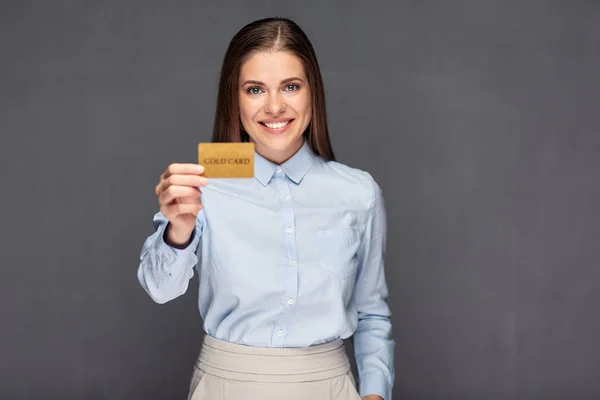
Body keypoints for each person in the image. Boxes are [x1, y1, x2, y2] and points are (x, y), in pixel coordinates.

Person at [137, 17, 395, 400]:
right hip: (226, 387)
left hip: (329, 387)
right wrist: (179, 230)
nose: (275, 107)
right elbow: (160, 289)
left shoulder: (357, 192)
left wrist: (375, 394)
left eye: (290, 87)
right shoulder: (203, 182)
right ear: (235, 98)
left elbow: (372, 311)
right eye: (255, 89)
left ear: (313, 93)